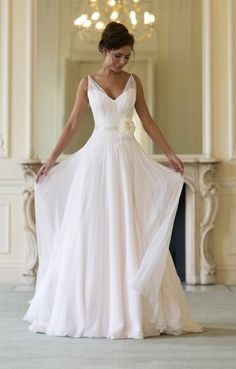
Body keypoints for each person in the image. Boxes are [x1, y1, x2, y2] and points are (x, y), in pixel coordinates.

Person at [23, 21, 203, 339]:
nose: (122, 62)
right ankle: (91, 309)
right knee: (90, 227)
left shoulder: (134, 81)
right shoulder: (87, 82)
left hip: (126, 158)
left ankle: (133, 310)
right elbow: (72, 124)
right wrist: (50, 160)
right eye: (118, 55)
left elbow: (146, 120)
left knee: (130, 227)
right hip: (96, 159)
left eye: (127, 57)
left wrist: (171, 153)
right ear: (105, 50)